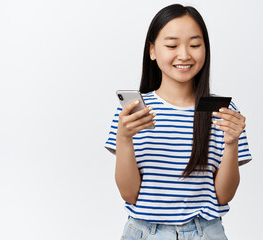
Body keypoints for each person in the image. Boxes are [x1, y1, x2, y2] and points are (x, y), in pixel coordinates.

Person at [104, 4, 252, 239]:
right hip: (145, 231)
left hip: (205, 231)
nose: (184, 55)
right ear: (152, 51)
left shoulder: (222, 111)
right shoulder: (133, 112)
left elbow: (223, 196)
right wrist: (123, 139)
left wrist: (232, 144)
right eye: (172, 45)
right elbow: (129, 194)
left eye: (195, 45)